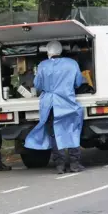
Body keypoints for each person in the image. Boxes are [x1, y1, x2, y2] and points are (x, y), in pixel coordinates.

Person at [24, 41, 85, 173]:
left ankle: (60, 165)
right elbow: (78, 82)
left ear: (48, 52)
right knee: (73, 131)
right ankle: (74, 163)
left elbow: (38, 85)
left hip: (50, 105)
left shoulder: (42, 65)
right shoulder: (72, 63)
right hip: (68, 103)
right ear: (61, 51)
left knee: (55, 134)